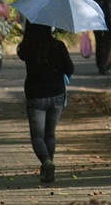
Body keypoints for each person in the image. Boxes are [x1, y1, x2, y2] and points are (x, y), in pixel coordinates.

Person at [17, 23, 74, 184]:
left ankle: (46, 162)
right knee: (50, 134)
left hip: (35, 95)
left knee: (37, 136)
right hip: (56, 93)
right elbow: (70, 68)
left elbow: (21, 53)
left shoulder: (26, 48)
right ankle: (49, 165)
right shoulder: (58, 45)